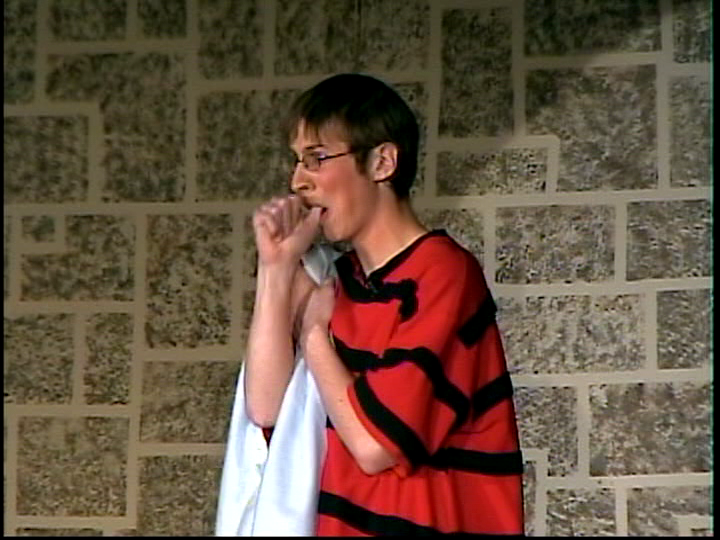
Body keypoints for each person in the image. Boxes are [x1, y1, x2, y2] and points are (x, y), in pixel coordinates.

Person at [243, 73, 524, 536]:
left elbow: (376, 447)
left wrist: (314, 338)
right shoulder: (340, 282)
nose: (298, 181)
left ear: (382, 162)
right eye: (296, 161)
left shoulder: (443, 273)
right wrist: (276, 267)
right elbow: (268, 411)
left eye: (317, 159)